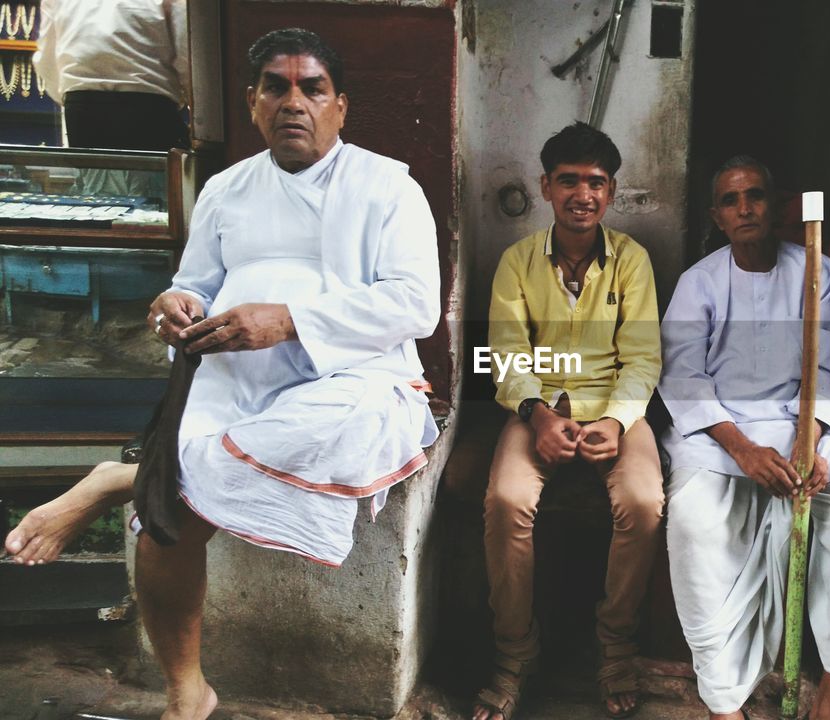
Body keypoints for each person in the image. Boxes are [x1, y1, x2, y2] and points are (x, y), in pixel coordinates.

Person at [9, 29, 441, 720]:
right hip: (231, 377)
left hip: (351, 378)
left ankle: (119, 477)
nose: (293, 101)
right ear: (252, 102)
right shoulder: (225, 190)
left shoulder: (388, 187)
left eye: (312, 88)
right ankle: (188, 695)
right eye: (276, 86)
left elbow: (415, 306)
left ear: (340, 107)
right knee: (166, 524)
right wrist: (174, 307)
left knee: (322, 429)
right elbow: (194, 286)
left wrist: (291, 319)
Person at [658, 156, 830, 720]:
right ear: (717, 216)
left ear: (772, 202)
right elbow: (683, 375)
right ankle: (722, 704)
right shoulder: (700, 282)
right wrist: (743, 449)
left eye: (755, 196)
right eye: (732, 201)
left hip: (805, 429)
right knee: (692, 528)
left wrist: (809, 438)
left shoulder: (820, 273)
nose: (745, 209)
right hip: (718, 438)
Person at [475, 122, 663, 720]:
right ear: (545, 187)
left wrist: (616, 420)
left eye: (596, 182)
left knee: (643, 502)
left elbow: (643, 359)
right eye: (569, 181)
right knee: (506, 500)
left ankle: (616, 648)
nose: (583, 194)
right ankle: (515, 655)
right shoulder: (517, 261)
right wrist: (535, 415)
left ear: (611, 193)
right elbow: (504, 355)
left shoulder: (632, 261)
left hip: (617, 409)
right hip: (538, 409)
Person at [33, 0, 191, 151]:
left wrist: (68, 96)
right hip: (150, 106)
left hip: (82, 108)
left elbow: (47, 59)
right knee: (156, 175)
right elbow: (188, 55)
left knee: (95, 176)